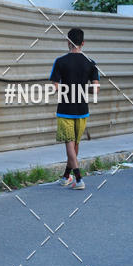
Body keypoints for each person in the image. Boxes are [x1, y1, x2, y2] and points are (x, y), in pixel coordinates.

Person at [50, 28, 100, 189]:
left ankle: (78, 178)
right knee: (75, 144)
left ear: (68, 42)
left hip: (65, 109)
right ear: (83, 43)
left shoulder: (60, 61)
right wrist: (84, 88)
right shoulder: (91, 63)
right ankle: (66, 177)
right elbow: (96, 89)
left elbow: (55, 87)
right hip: (82, 110)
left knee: (69, 145)